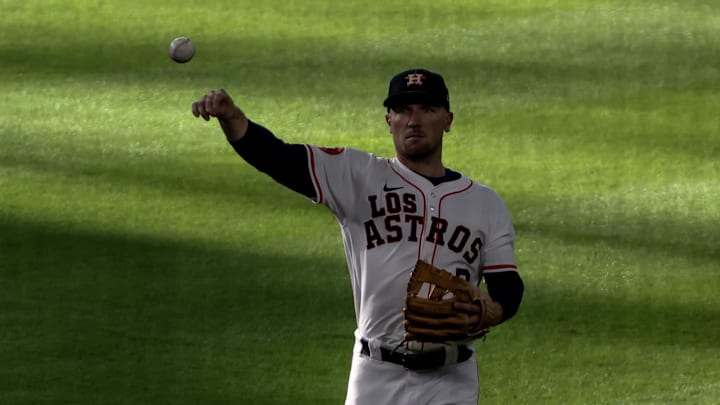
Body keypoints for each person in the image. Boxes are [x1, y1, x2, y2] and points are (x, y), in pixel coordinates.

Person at [191, 68, 525, 405]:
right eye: (403, 110)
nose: (414, 120)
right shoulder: (356, 175)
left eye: (427, 109)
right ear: (388, 120)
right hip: (374, 377)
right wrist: (232, 118)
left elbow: (508, 287)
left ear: (448, 120)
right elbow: (278, 158)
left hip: (450, 383)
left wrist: (492, 312)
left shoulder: (485, 203)